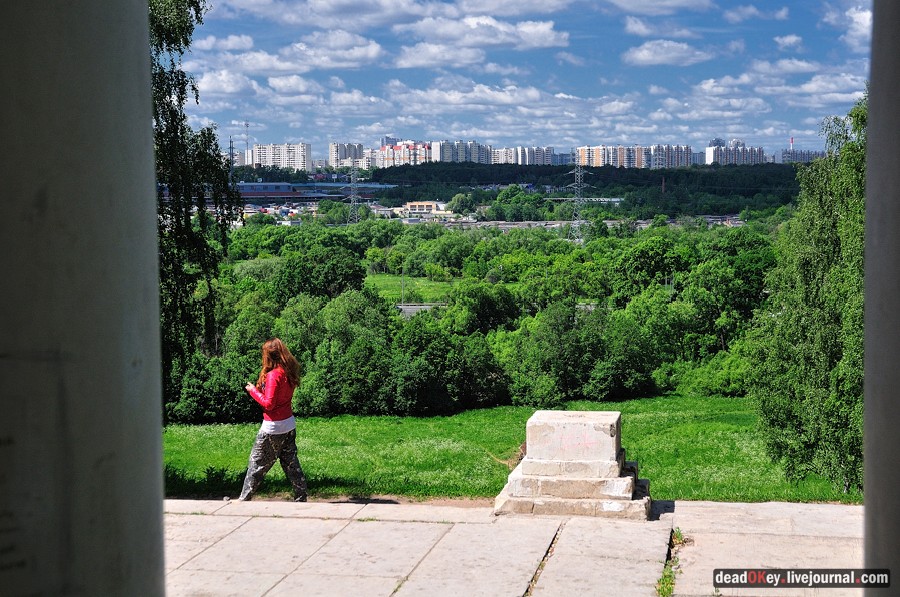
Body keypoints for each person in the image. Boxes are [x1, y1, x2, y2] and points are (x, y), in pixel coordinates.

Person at [238, 338, 309, 502]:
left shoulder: (273, 375)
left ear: (269, 355)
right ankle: (301, 497)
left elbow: (269, 404)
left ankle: (243, 499)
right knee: (291, 464)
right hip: (288, 424)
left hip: (273, 428)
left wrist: (253, 391)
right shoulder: (288, 372)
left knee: (256, 464)